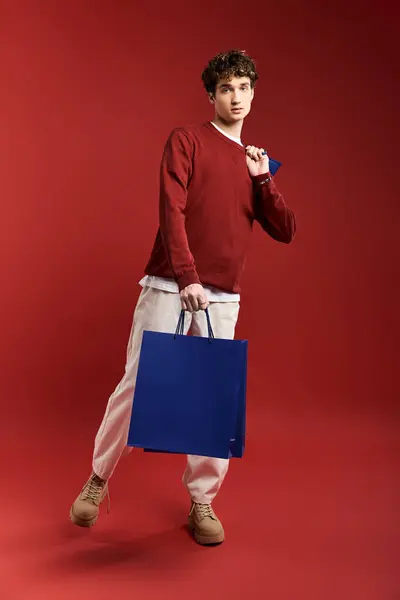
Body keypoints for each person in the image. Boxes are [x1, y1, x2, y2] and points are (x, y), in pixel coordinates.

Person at [70, 49, 296, 545]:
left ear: (254, 95)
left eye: (243, 89)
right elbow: (170, 211)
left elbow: (286, 230)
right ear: (212, 95)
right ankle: (98, 478)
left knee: (214, 395)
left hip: (224, 296)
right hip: (171, 282)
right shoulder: (187, 140)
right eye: (225, 89)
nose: (235, 98)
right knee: (138, 380)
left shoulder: (255, 162)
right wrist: (188, 275)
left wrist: (264, 179)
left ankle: (202, 501)